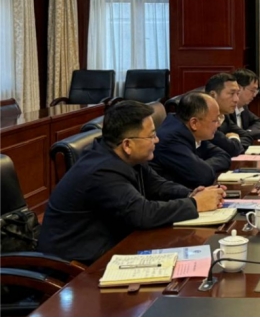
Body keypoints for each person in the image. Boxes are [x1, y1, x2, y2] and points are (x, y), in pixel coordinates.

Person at [38, 101, 225, 265]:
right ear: (127, 144)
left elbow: (158, 185)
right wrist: (195, 204)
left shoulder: (126, 155)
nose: (157, 140)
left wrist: (191, 194)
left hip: (114, 247)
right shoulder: (102, 171)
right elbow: (142, 213)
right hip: (78, 267)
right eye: (151, 136)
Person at [150, 92, 231, 189]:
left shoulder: (190, 131)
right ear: (194, 123)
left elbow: (223, 156)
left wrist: (199, 165)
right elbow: (203, 176)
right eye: (215, 120)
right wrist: (199, 166)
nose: (218, 124)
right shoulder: (171, 140)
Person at [205, 72, 246, 156]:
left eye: (237, 94)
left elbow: (246, 136)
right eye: (231, 93)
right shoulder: (204, 120)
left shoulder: (224, 116)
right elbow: (232, 150)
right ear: (213, 95)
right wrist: (234, 138)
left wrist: (236, 144)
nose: (236, 99)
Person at [230, 68, 260, 141]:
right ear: (239, 88)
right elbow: (237, 135)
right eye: (252, 90)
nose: (254, 95)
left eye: (256, 91)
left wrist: (248, 132)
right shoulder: (226, 110)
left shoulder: (243, 108)